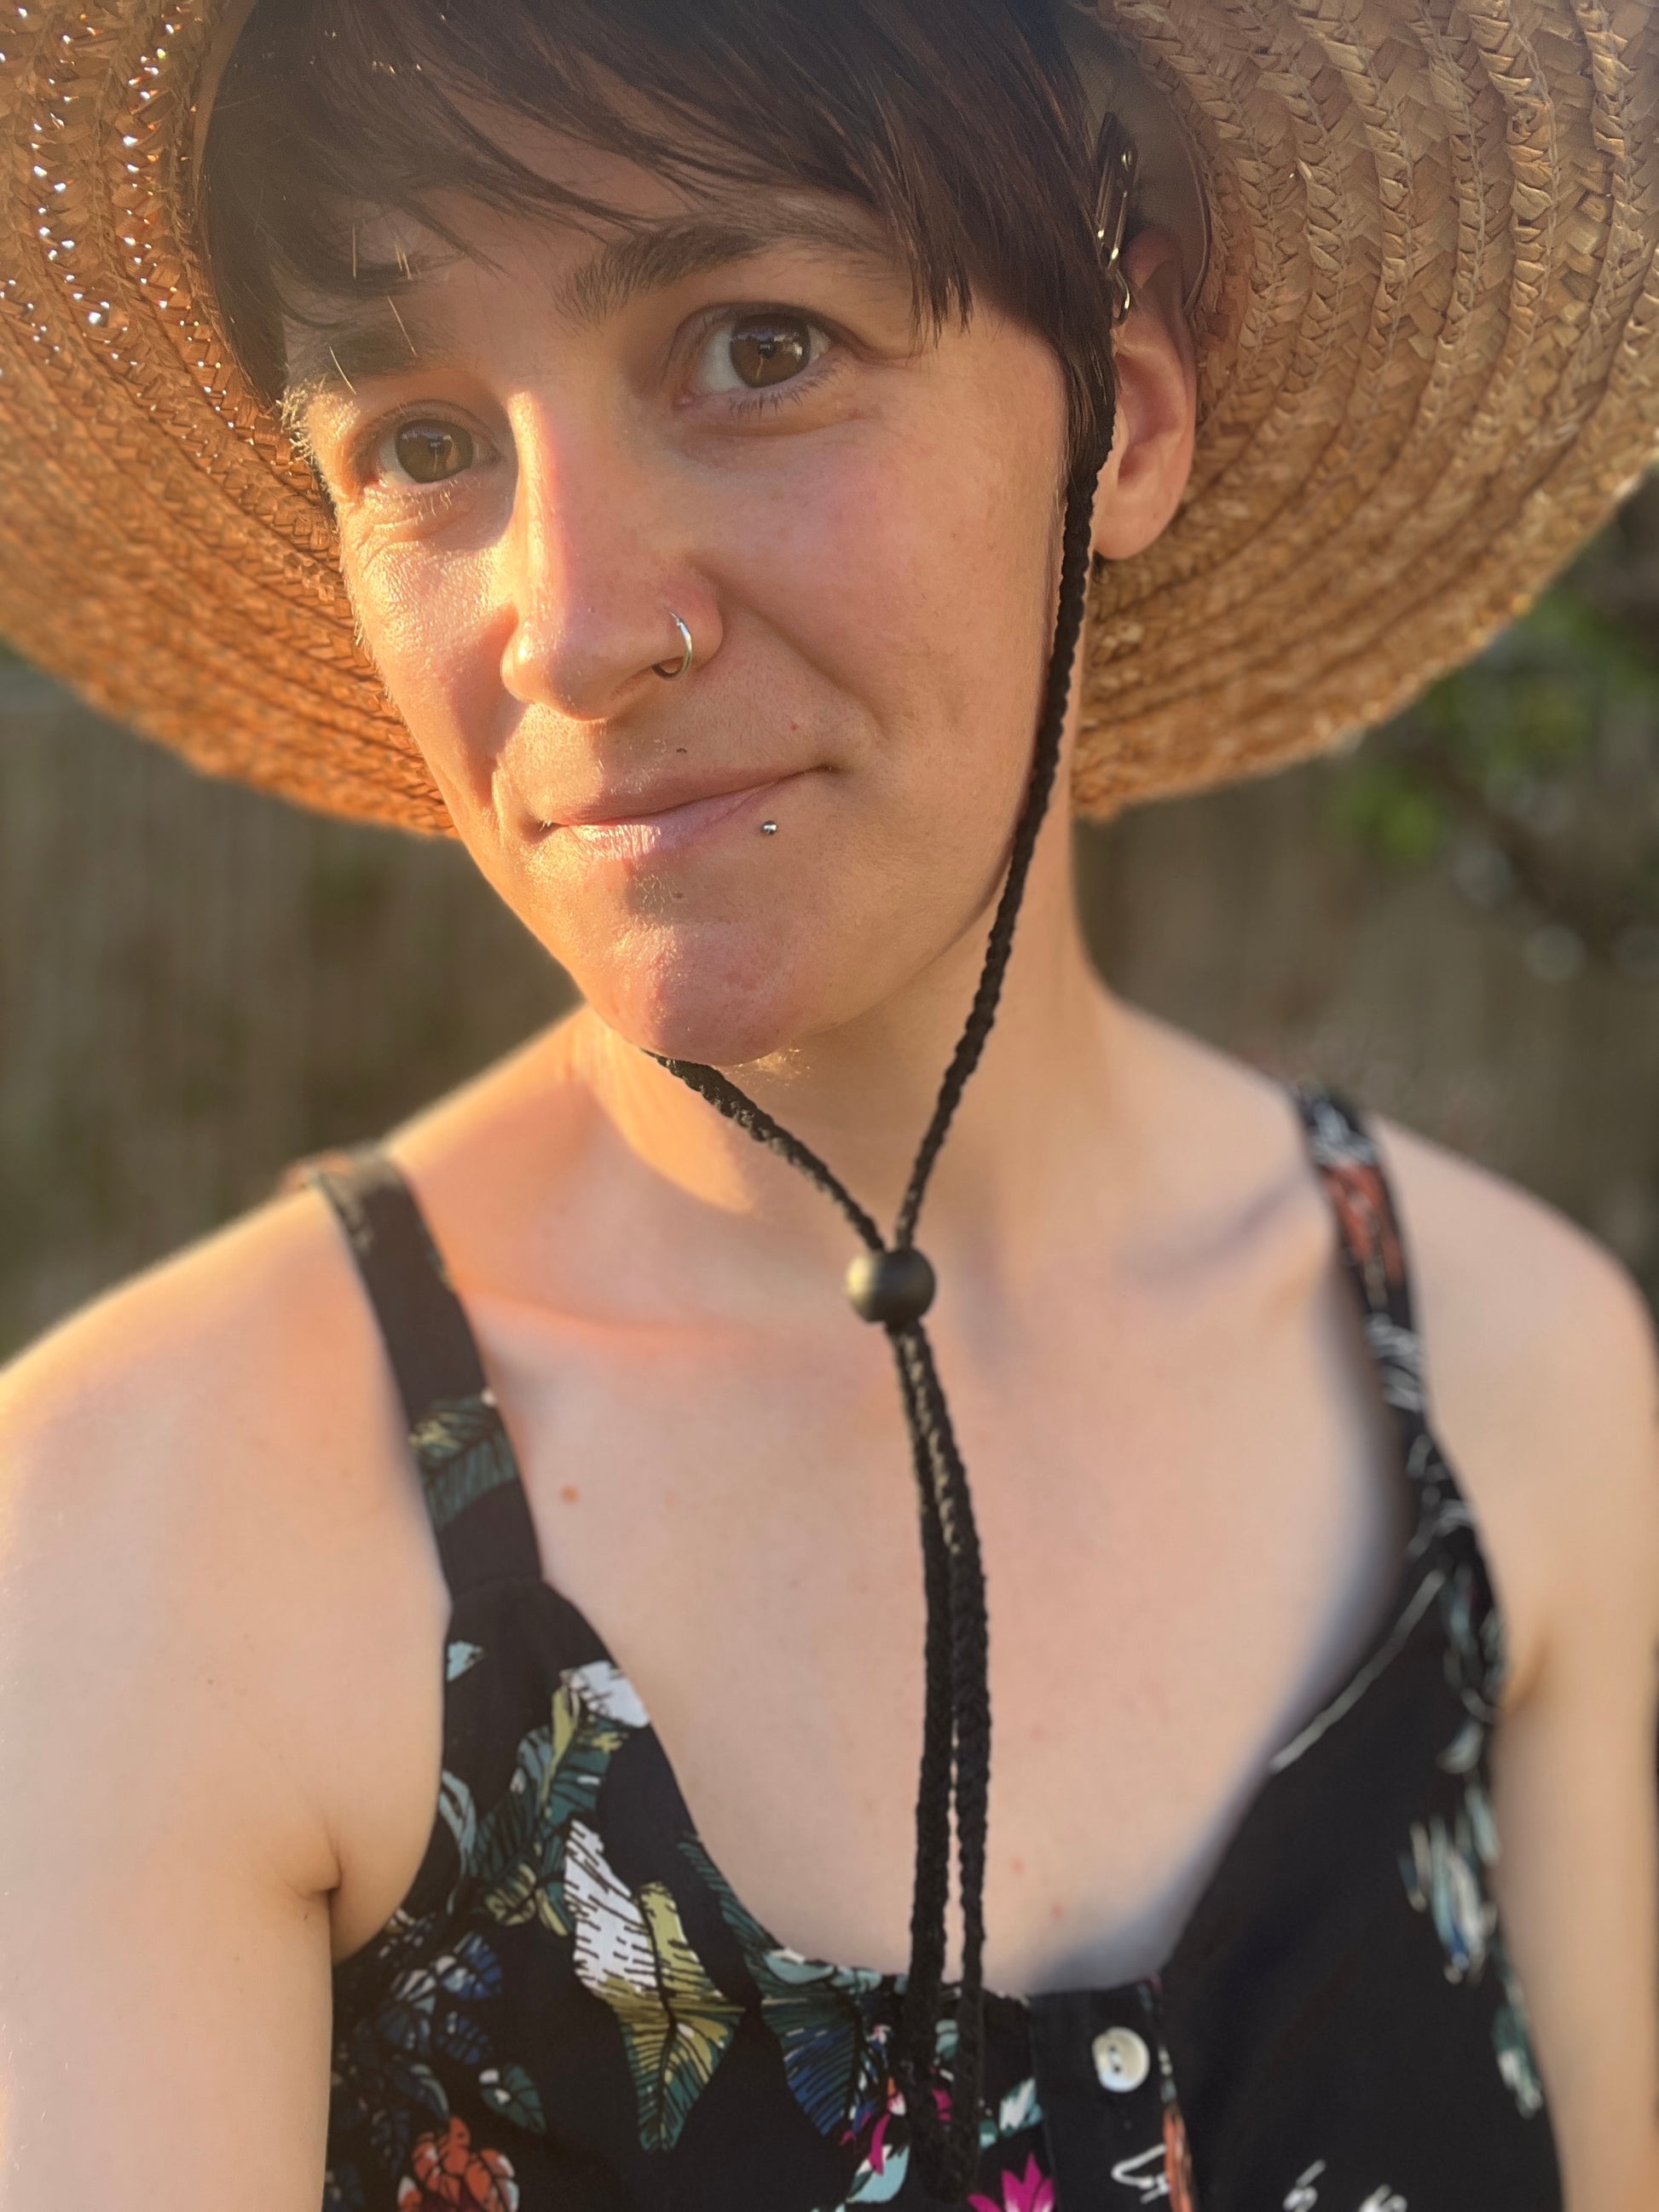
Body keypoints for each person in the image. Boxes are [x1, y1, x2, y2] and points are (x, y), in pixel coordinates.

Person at [0, 0, 1656, 2206]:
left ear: (1124, 414)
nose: (572, 626)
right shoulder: (141, 1536)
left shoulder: (1507, 1375)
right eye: (418, 443)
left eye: (753, 347)